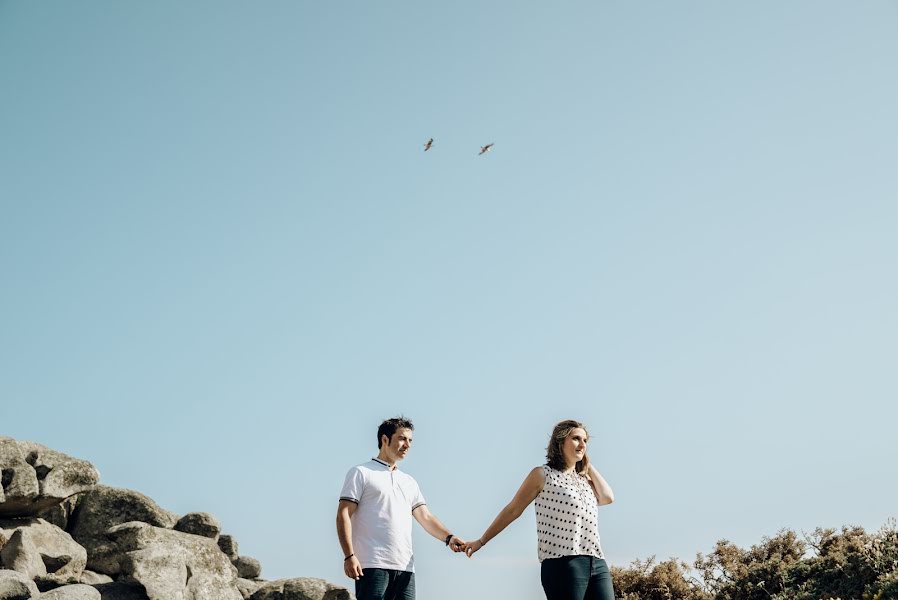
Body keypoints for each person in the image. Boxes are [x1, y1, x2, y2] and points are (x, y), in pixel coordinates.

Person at [465, 419, 615, 600]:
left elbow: (607, 497)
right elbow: (513, 510)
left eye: (585, 441)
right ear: (560, 443)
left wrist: (587, 466)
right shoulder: (543, 475)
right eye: (576, 439)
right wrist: (481, 541)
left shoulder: (584, 482)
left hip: (597, 562)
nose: (582, 444)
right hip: (563, 562)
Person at [336, 416, 466, 600]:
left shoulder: (409, 481)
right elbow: (343, 515)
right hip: (372, 564)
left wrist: (449, 537)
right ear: (384, 439)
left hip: (405, 568)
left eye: (410, 440)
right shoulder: (361, 472)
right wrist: (349, 556)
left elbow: (425, 517)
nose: (407, 445)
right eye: (402, 438)